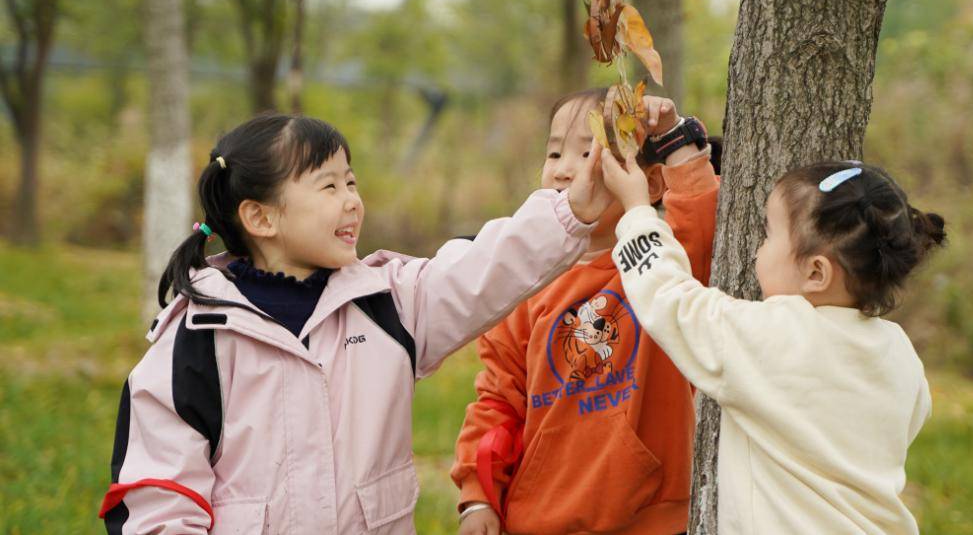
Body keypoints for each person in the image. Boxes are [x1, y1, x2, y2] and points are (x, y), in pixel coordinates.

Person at [99, 112, 613, 534]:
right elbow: (160, 496)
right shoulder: (199, 337)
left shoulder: (388, 304)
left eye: (351, 181)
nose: (351, 200)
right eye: (327, 186)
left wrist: (572, 212)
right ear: (261, 218)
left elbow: (485, 268)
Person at [600, 154, 945, 534]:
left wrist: (636, 212)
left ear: (816, 272)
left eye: (769, 235)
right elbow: (913, 415)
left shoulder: (777, 335)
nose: (757, 249)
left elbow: (674, 303)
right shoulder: (899, 351)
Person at [452, 88, 719, 535]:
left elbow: (701, 225)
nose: (562, 170)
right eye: (554, 152)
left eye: (590, 151)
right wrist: (478, 498)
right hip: (540, 518)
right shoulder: (523, 283)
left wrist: (674, 135)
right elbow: (498, 401)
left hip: (649, 518)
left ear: (648, 183)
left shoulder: (658, 266)